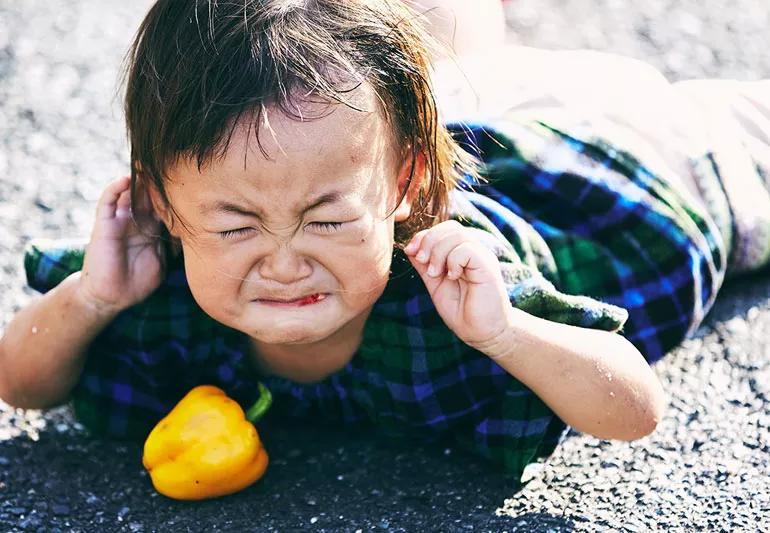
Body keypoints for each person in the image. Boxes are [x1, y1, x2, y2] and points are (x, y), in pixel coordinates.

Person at [1, 0, 765, 480]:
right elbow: (20, 383)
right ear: (162, 203)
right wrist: (92, 297)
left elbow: (636, 409)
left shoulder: (458, 278)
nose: (284, 258)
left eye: (327, 220)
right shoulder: (152, 269)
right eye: (236, 226)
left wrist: (508, 331)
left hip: (656, 173)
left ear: (406, 186)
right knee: (455, 69)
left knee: (725, 136)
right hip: (462, 119)